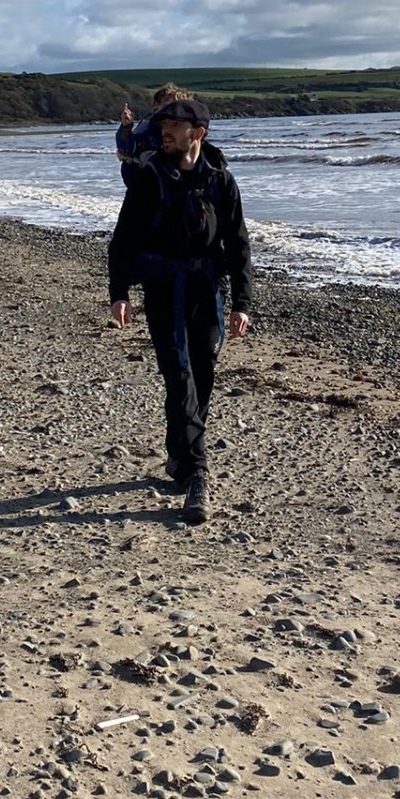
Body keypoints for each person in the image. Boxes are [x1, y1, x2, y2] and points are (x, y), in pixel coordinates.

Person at [108, 97, 251, 525]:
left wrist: (243, 301)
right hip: (163, 291)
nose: (164, 130)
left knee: (201, 377)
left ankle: (178, 453)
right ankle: (197, 475)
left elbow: (239, 244)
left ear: (198, 133)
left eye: (174, 124)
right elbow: (123, 240)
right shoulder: (149, 178)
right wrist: (120, 293)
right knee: (180, 375)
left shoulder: (221, 181)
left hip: (208, 291)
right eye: (162, 123)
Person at [117, 84, 227, 186]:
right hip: (145, 186)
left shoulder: (198, 143)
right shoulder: (148, 131)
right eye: (164, 107)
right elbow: (127, 147)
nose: (169, 112)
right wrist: (126, 127)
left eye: (175, 108)